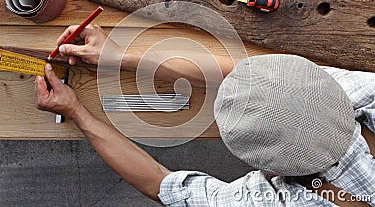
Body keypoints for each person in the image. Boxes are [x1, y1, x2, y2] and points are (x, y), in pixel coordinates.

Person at [35, 25, 375, 206]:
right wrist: (117, 55)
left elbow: (160, 184)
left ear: (266, 170)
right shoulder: (362, 93)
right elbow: (253, 79)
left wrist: (76, 111)